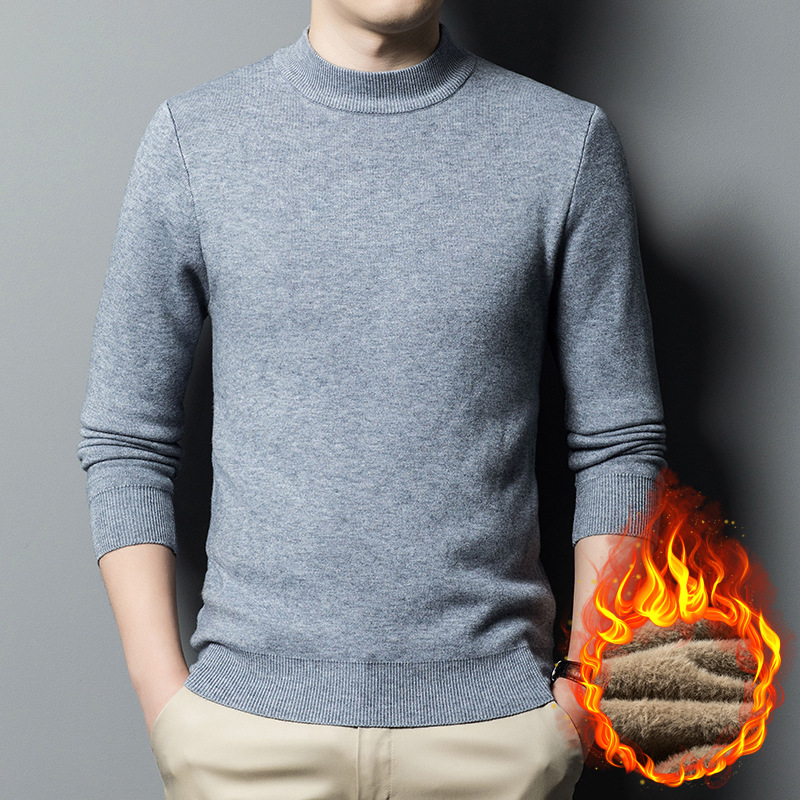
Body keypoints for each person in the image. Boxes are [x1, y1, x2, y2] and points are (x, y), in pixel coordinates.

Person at [76, 1, 667, 798]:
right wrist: (164, 700)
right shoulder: (196, 138)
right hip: (244, 737)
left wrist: (581, 694)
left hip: (497, 741)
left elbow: (619, 443)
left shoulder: (564, 143)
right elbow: (126, 439)